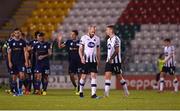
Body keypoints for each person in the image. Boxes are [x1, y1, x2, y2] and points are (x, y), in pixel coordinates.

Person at [104, 25, 129, 97]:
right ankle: (106, 93)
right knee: (107, 76)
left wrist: (111, 58)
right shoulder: (108, 40)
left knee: (119, 77)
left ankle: (126, 91)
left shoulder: (116, 39)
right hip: (109, 61)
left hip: (116, 62)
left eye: (107, 30)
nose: (106, 31)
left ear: (111, 30)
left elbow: (117, 51)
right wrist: (109, 59)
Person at [78, 26, 101, 98]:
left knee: (93, 76)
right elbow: (80, 49)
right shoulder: (83, 37)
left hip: (93, 61)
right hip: (86, 60)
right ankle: (81, 92)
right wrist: (81, 58)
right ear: (89, 30)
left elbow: (98, 50)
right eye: (92, 31)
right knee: (83, 76)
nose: (93, 32)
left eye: (94, 31)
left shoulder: (97, 38)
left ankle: (93, 94)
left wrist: (98, 59)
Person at [57, 30, 81, 95]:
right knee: (71, 76)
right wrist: (59, 40)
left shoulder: (80, 42)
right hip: (71, 61)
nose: (71, 36)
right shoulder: (68, 41)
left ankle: (79, 89)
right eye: (71, 34)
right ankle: (75, 86)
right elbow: (60, 47)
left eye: (73, 34)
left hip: (79, 61)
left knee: (79, 76)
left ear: (76, 35)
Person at [7, 28, 28, 96]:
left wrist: (26, 61)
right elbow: (9, 53)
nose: (17, 34)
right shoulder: (11, 42)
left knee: (22, 76)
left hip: (21, 62)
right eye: (16, 33)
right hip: (13, 62)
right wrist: (9, 62)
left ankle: (19, 90)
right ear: (14, 34)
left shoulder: (23, 42)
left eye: (18, 33)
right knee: (14, 77)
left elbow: (25, 52)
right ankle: (16, 92)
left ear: (20, 33)